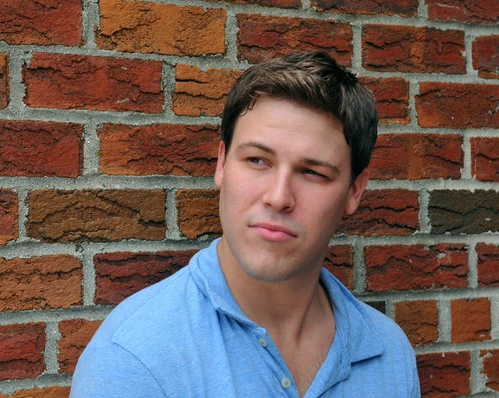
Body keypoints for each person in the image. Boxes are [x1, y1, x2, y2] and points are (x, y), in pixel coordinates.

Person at [71, 51, 420, 397]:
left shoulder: (389, 354)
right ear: (222, 165)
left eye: (312, 172)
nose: (279, 196)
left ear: (354, 191)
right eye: (257, 160)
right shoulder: (136, 358)